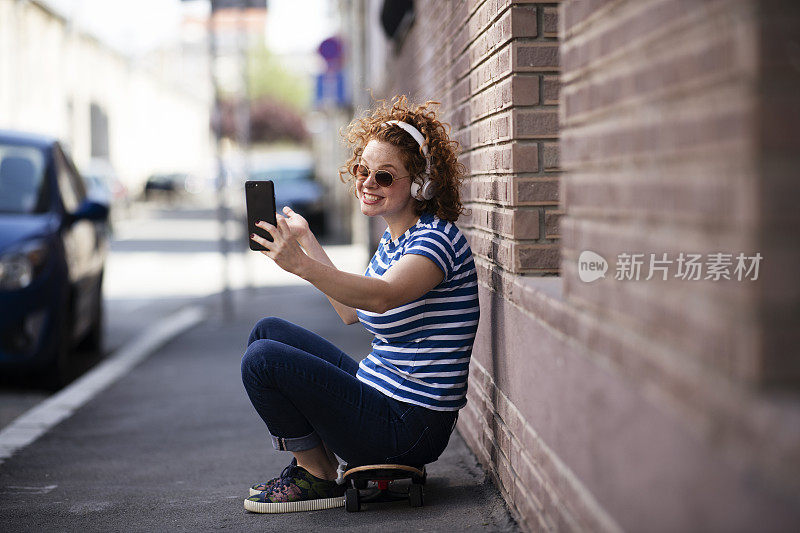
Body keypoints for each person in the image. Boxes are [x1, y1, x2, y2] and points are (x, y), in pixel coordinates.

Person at [241, 95, 479, 514]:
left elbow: (382, 297)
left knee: (263, 360)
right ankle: (316, 465)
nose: (367, 183)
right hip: (381, 397)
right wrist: (306, 241)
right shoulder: (393, 241)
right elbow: (351, 311)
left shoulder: (436, 242)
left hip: (409, 425)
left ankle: (316, 475)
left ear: (421, 184)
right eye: (362, 170)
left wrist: (299, 266)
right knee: (267, 332)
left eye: (384, 177)